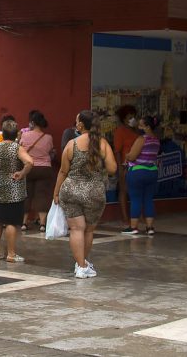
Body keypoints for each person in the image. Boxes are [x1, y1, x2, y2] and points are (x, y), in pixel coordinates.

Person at [54, 110, 117, 279]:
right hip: (94, 192)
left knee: (76, 229)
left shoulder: (71, 144)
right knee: (88, 231)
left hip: (71, 190)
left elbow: (62, 171)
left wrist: (56, 193)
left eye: (77, 121)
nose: (75, 123)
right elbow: (112, 169)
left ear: (81, 125)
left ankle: (81, 265)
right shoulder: (102, 144)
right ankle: (82, 264)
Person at [0, 119, 33, 263]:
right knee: (11, 222)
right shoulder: (17, 148)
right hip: (14, 188)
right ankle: (11, 254)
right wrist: (22, 172)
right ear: (16, 134)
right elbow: (30, 162)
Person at [122, 116, 160, 235]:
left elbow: (132, 156)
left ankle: (133, 227)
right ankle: (149, 227)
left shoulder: (142, 139)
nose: (138, 127)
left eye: (141, 125)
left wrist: (127, 155)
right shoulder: (156, 140)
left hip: (138, 172)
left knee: (136, 199)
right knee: (148, 199)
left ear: (147, 127)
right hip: (152, 172)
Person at [19, 111, 55, 232]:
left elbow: (20, 149)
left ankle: (24, 223)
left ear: (32, 123)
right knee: (43, 195)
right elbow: (50, 151)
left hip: (28, 168)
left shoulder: (24, 136)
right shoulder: (48, 137)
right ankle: (42, 224)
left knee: (26, 195)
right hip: (44, 169)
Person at [113, 105, 139, 230]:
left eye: (134, 117)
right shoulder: (120, 131)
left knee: (137, 192)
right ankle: (125, 218)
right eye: (130, 117)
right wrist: (120, 168)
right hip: (125, 166)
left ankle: (137, 217)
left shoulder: (137, 131)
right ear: (124, 119)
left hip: (139, 165)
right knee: (124, 191)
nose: (132, 119)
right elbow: (117, 151)